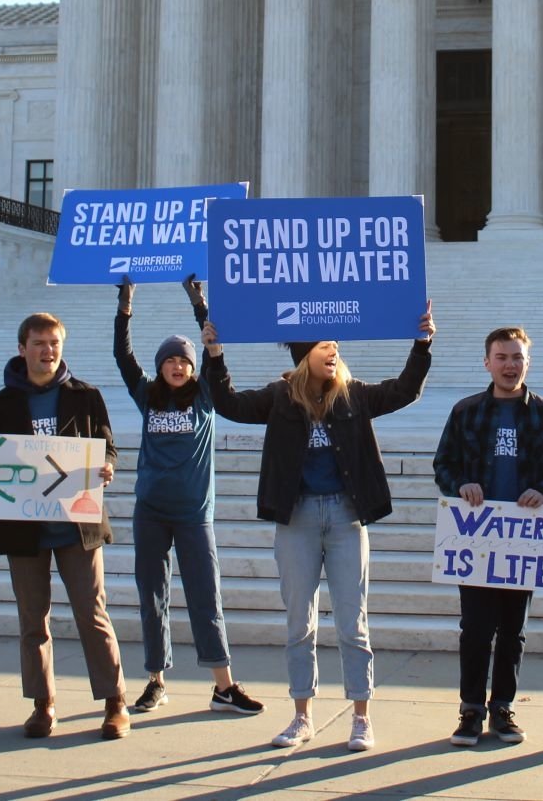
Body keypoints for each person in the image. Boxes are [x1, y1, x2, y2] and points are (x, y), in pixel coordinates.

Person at [201, 305, 435, 753]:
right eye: (325, 346)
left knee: (353, 622)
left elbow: (405, 390)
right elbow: (229, 404)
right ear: (305, 353)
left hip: (346, 517)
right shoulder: (280, 396)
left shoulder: (354, 395)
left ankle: (361, 717)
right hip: (299, 518)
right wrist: (214, 356)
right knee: (299, 623)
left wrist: (422, 343)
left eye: (336, 346)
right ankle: (301, 716)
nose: (333, 353)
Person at [0, 313, 129, 740]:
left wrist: (107, 466)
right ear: (22, 348)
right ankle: (44, 704)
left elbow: (108, 446)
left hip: (77, 526)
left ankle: (115, 701)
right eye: (39, 343)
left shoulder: (86, 395)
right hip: (25, 530)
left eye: (55, 343)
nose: (48, 351)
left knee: (92, 614)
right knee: (32, 621)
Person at [113, 278, 263, 719]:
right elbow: (123, 357)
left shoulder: (205, 399)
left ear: (193, 368)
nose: (177, 366)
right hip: (151, 512)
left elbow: (217, 348)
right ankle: (156, 680)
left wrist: (200, 302)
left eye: (184, 361)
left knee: (205, 596)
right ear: (160, 367)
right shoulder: (147, 396)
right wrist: (125, 304)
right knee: (152, 596)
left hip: (195, 515)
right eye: (170, 361)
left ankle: (223, 686)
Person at [433, 326, 543, 748]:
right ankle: (470, 710)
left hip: (523, 539)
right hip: (477, 537)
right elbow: (443, 465)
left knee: (513, 630)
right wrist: (462, 486)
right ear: (487, 362)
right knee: (474, 628)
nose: (510, 365)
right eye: (502, 357)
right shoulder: (466, 412)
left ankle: (503, 709)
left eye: (517, 357)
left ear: (528, 362)